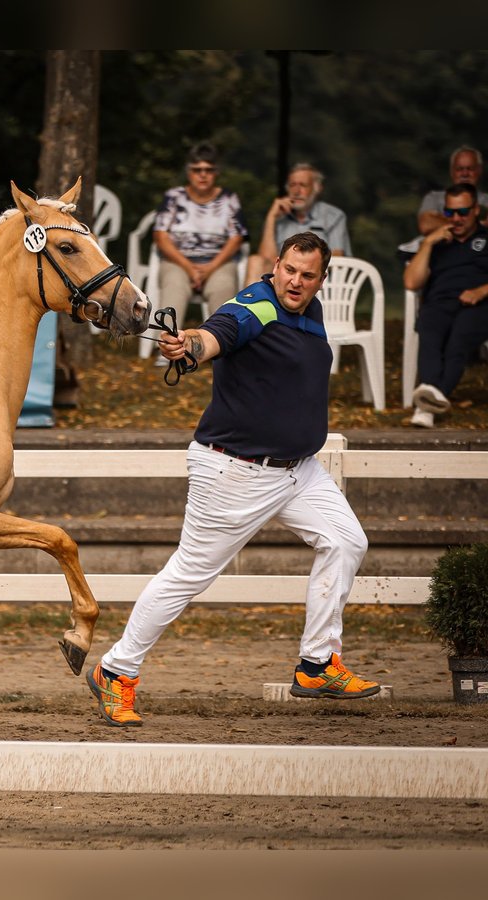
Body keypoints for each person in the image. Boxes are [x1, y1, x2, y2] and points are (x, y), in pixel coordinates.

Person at [87, 231, 378, 727]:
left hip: (298, 471)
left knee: (347, 540)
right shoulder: (257, 305)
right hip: (235, 470)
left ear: (322, 280)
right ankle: (116, 671)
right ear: (275, 265)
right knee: (188, 576)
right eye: (289, 269)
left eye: (308, 275)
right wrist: (189, 348)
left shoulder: (309, 311)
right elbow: (218, 332)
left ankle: (316, 664)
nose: (296, 281)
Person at [403, 183, 488, 428]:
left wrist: (481, 291)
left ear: (476, 210)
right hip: (439, 303)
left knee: (459, 339)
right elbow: (411, 281)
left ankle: (425, 406)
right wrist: (428, 243)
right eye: (450, 213)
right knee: (429, 333)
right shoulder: (437, 242)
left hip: (478, 304)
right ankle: (434, 399)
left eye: (462, 212)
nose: (456, 218)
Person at [152, 142, 248, 345]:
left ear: (216, 173)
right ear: (189, 172)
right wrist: (189, 267)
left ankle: (222, 347)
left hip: (218, 262)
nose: (202, 175)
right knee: (174, 286)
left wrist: (209, 268)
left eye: (208, 170)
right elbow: (160, 237)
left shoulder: (229, 198)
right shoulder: (173, 197)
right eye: (197, 170)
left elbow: (237, 238)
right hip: (177, 260)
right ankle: (168, 346)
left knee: (224, 288)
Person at [247, 163, 349, 277]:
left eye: (303, 185)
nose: (296, 191)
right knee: (255, 261)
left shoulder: (333, 216)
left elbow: (337, 260)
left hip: (314, 279)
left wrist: (301, 268)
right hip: (282, 279)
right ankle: (253, 296)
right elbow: (266, 263)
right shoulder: (279, 219)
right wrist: (271, 218)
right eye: (292, 185)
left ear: (317, 189)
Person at [417, 147, 488, 235]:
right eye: (459, 169)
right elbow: (426, 225)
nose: (465, 174)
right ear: (451, 171)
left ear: (479, 170)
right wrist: (477, 225)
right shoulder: (434, 198)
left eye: (470, 169)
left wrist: (442, 220)